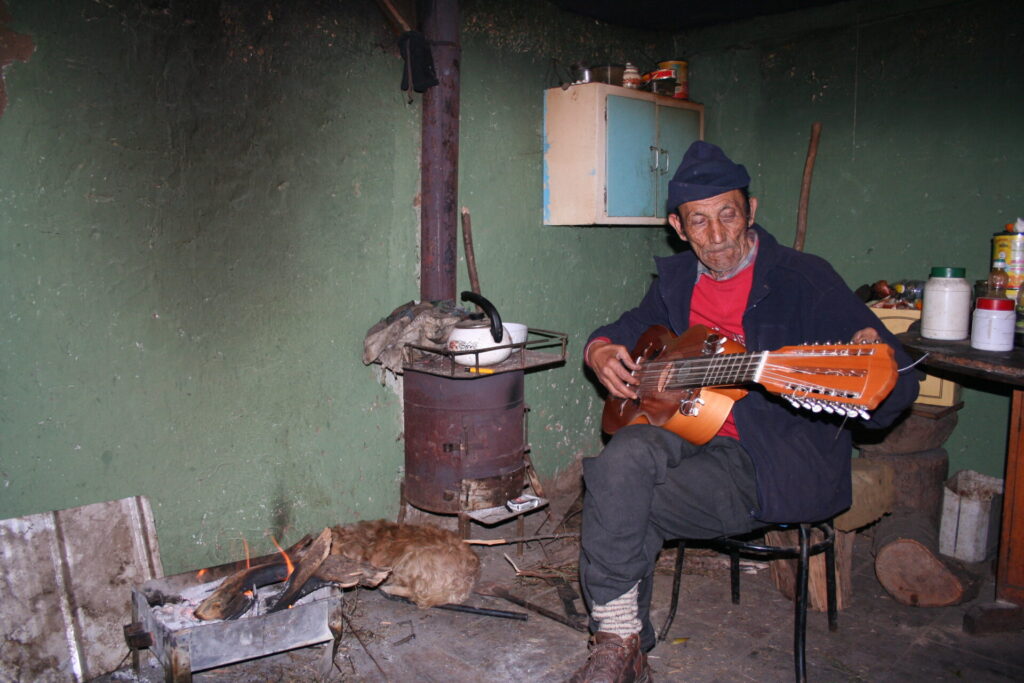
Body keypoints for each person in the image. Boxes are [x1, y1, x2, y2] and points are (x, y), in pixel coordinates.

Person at [569, 141, 919, 682]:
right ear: (678, 227)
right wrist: (598, 349)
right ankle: (622, 640)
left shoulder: (805, 279)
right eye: (699, 221)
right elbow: (626, 327)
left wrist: (881, 362)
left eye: (728, 214)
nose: (716, 236)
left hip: (766, 460)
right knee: (623, 460)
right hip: (684, 431)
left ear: (751, 212)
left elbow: (896, 385)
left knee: (617, 489)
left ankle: (618, 643)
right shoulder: (679, 281)